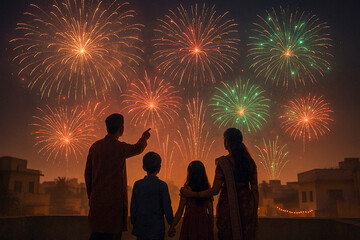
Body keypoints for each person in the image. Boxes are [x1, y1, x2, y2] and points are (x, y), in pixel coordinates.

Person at [181, 128, 259, 240]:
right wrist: (254, 214)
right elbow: (255, 190)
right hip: (247, 209)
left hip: (228, 210)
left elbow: (214, 191)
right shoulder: (250, 163)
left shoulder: (223, 163)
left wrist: (192, 194)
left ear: (227, 142)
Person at [85, 113, 151, 240]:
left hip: (97, 205)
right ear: (121, 128)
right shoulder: (119, 148)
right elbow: (137, 148)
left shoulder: (95, 147)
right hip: (114, 208)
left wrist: (92, 197)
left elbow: (87, 175)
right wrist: (144, 138)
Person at [130, 152, 174, 240]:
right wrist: (171, 224)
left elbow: (133, 207)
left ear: (143, 167)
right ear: (159, 168)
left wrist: (133, 223)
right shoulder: (162, 186)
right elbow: (167, 207)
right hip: (157, 228)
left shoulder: (137, 184)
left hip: (141, 227)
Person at [169, 160, 214, 240]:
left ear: (190, 173)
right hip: (203, 223)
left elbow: (180, 211)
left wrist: (172, 226)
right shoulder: (207, 190)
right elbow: (211, 212)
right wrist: (211, 229)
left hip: (189, 223)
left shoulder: (186, 190)